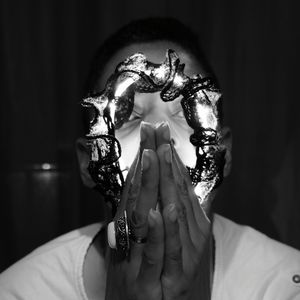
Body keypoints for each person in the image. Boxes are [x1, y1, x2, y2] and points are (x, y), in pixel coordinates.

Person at [1, 18, 300, 300]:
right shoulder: (19, 291)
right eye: (129, 115)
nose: (160, 136)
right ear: (88, 162)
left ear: (222, 152)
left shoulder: (284, 284)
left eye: (186, 113)